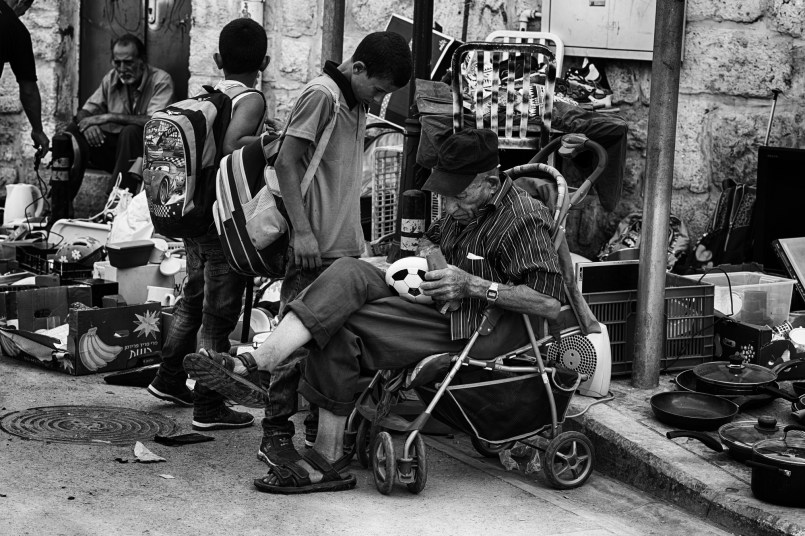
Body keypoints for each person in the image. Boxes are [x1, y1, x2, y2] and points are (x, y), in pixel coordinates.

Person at [184, 128, 565, 493]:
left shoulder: (524, 218)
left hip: (479, 327)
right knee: (348, 270)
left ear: (491, 184)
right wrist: (423, 257)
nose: (449, 206)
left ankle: (326, 452)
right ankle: (261, 362)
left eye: (458, 196)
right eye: (446, 196)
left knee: (341, 323)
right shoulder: (465, 207)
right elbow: (430, 239)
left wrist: (473, 285)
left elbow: (549, 302)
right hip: (438, 304)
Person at [255, 32, 411, 469]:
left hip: (342, 249)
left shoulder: (355, 102)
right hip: (312, 247)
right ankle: (275, 433)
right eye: (377, 89)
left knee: (327, 347)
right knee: (293, 344)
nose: (378, 100)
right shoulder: (322, 95)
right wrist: (303, 233)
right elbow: (286, 162)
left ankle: (317, 433)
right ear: (357, 68)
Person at [146, 18, 270, 431]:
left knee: (193, 300)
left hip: (193, 215)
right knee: (219, 313)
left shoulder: (210, 96)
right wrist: (271, 139)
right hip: (220, 221)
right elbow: (234, 144)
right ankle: (209, 405)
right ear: (265, 63)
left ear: (218, 59)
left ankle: (168, 379)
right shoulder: (251, 98)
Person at [63, 34, 174, 199]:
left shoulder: (161, 80)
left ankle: (117, 202)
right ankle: (61, 202)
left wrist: (110, 117)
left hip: (149, 157)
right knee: (73, 131)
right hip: (118, 154)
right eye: (117, 62)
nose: (122, 68)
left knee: (131, 131)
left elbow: (156, 121)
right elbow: (84, 112)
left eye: (128, 62)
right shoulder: (111, 78)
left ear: (142, 60)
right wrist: (89, 126)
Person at [1, 0, 49, 153]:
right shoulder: (16, 30)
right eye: (25, 9)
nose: (22, 14)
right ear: (22, 2)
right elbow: (29, 91)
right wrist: (38, 130)